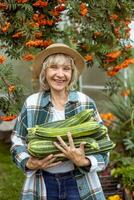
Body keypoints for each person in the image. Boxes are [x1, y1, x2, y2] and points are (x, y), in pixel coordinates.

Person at [11, 43, 109, 200]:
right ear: (45, 71)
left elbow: (105, 146)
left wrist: (84, 161)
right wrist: (28, 163)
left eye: (66, 69)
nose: (60, 74)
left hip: (79, 182)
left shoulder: (85, 103)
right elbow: (17, 141)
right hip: (42, 182)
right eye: (54, 67)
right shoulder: (32, 103)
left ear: (72, 73)